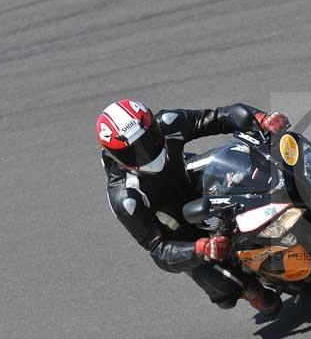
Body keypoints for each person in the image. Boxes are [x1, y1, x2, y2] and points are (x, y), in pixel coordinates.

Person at [96, 99, 289, 316]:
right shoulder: (125, 198)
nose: (146, 153)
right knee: (223, 280)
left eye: (149, 140)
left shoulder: (168, 123)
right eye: (133, 152)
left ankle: (290, 198)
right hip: (178, 227)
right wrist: (200, 249)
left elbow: (218, 117)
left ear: (154, 126)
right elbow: (158, 251)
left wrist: (261, 118)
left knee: (241, 157)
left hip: (188, 177)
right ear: (115, 156)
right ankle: (250, 289)